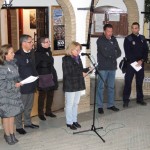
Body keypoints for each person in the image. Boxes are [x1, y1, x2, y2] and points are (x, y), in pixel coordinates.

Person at [62, 41, 90, 130]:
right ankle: (69, 122)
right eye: (77, 50)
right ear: (71, 49)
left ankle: (74, 120)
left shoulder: (78, 58)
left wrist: (88, 69)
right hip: (70, 84)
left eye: (79, 50)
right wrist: (81, 74)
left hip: (78, 83)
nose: (79, 52)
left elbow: (79, 69)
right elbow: (68, 73)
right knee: (69, 104)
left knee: (76, 103)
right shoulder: (66, 59)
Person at [15, 34, 39, 135]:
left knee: (29, 106)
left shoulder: (32, 52)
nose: (32, 43)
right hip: (23, 85)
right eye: (30, 42)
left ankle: (28, 122)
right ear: (23, 43)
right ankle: (19, 126)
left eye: (32, 41)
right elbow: (15, 72)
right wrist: (20, 82)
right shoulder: (17, 55)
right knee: (21, 107)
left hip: (32, 84)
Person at [0, 44, 24, 145]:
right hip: (5, 95)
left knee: (12, 114)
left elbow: (16, 77)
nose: (14, 54)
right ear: (5, 55)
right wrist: (14, 85)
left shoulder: (13, 64)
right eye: (11, 53)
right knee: (6, 116)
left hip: (14, 94)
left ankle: (12, 133)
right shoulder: (2, 66)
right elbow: (1, 83)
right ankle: (7, 135)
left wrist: (21, 81)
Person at [96, 24, 121, 114]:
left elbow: (119, 52)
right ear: (104, 31)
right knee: (100, 87)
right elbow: (105, 53)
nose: (110, 33)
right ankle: (99, 106)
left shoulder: (114, 39)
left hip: (112, 67)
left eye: (111, 31)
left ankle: (110, 105)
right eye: (108, 31)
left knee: (111, 87)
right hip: (103, 67)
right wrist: (113, 52)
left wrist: (112, 53)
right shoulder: (100, 40)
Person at [123, 22, 148, 107]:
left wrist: (142, 60)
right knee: (128, 82)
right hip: (131, 64)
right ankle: (126, 100)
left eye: (136, 28)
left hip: (140, 63)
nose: (134, 29)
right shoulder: (128, 39)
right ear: (131, 29)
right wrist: (135, 62)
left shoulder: (142, 38)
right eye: (133, 28)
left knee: (139, 82)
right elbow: (128, 53)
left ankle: (140, 99)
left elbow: (146, 51)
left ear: (139, 28)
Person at [35, 37, 58, 121]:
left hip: (51, 75)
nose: (49, 43)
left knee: (51, 94)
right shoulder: (37, 54)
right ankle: (40, 113)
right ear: (42, 44)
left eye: (49, 41)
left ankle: (48, 111)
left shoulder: (49, 51)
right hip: (42, 76)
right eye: (47, 42)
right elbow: (35, 67)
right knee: (42, 95)